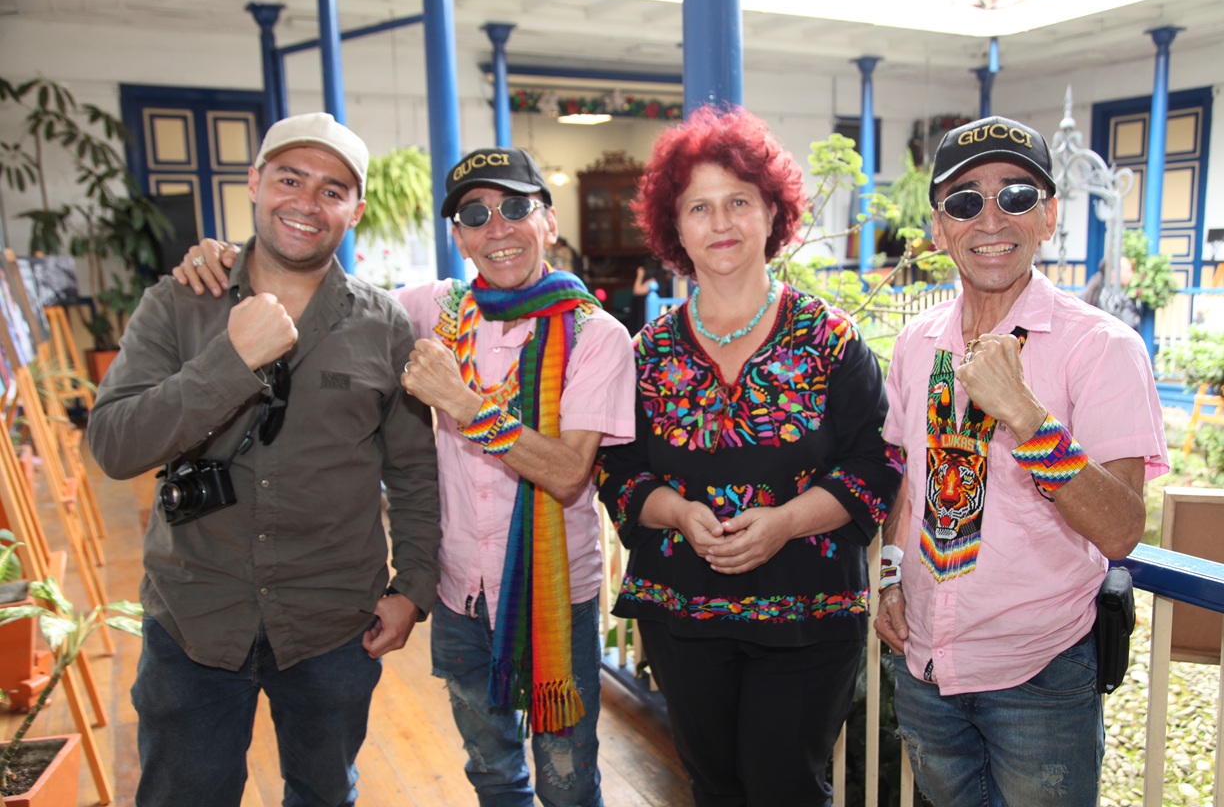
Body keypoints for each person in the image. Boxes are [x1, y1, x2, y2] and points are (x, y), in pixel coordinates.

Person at [174, 146, 637, 807]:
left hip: (552, 596)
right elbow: (323, 305)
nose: (496, 228)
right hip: (458, 591)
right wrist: (238, 264)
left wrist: (464, 403)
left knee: (566, 776)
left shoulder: (598, 336)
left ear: (549, 221)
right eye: (475, 215)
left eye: (514, 208)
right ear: (458, 236)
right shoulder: (434, 310)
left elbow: (567, 475)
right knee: (490, 765)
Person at [87, 113, 442, 806]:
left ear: (356, 210)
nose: (307, 202)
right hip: (195, 615)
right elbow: (115, 444)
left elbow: (412, 470)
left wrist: (413, 588)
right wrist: (228, 361)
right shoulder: (179, 303)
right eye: (289, 178)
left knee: (323, 793)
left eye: (332, 189)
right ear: (253, 183)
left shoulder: (383, 323)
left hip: (335, 622)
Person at [595, 106, 902, 807]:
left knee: (787, 787)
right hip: (682, 613)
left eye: (739, 201)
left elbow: (875, 462)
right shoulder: (648, 353)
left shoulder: (828, 339)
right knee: (713, 786)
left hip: (807, 613)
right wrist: (675, 511)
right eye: (698, 207)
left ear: (773, 213)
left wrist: (787, 522)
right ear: (675, 229)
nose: (721, 221)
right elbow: (617, 468)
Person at [873, 115, 1169, 807]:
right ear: (940, 227)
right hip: (927, 670)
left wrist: (1029, 419)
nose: (990, 218)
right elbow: (908, 484)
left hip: (1037, 676)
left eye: (1015, 194)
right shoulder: (920, 343)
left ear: (1049, 216)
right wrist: (890, 576)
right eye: (966, 200)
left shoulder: (1101, 347)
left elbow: (1123, 528)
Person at [1082, 254, 1142, 330]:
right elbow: (1130, 324)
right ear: (1114, 272)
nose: (1131, 275)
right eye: (1127, 271)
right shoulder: (1120, 297)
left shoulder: (1090, 291)